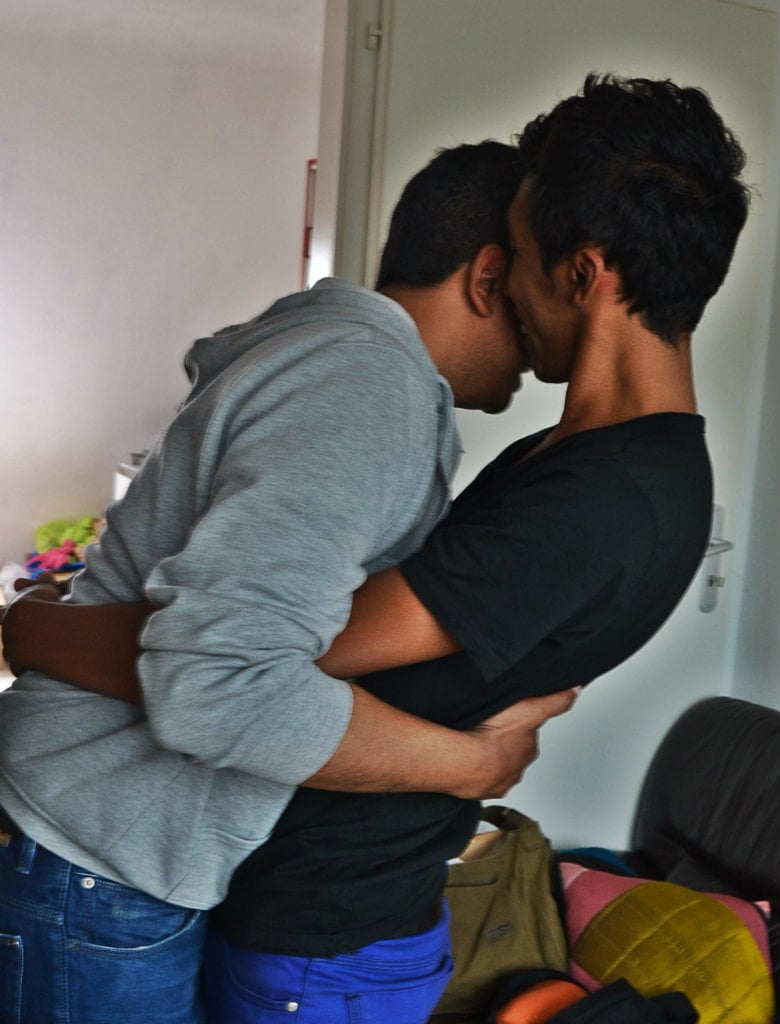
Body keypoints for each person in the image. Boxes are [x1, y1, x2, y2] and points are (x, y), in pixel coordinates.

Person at [3, 72, 751, 1023]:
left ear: (583, 274)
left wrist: (40, 630)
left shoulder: (611, 492)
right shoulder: (513, 436)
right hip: (182, 872)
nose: (515, 302)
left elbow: (242, 662)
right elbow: (234, 663)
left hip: (283, 906)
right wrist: (36, 630)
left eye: (522, 254)